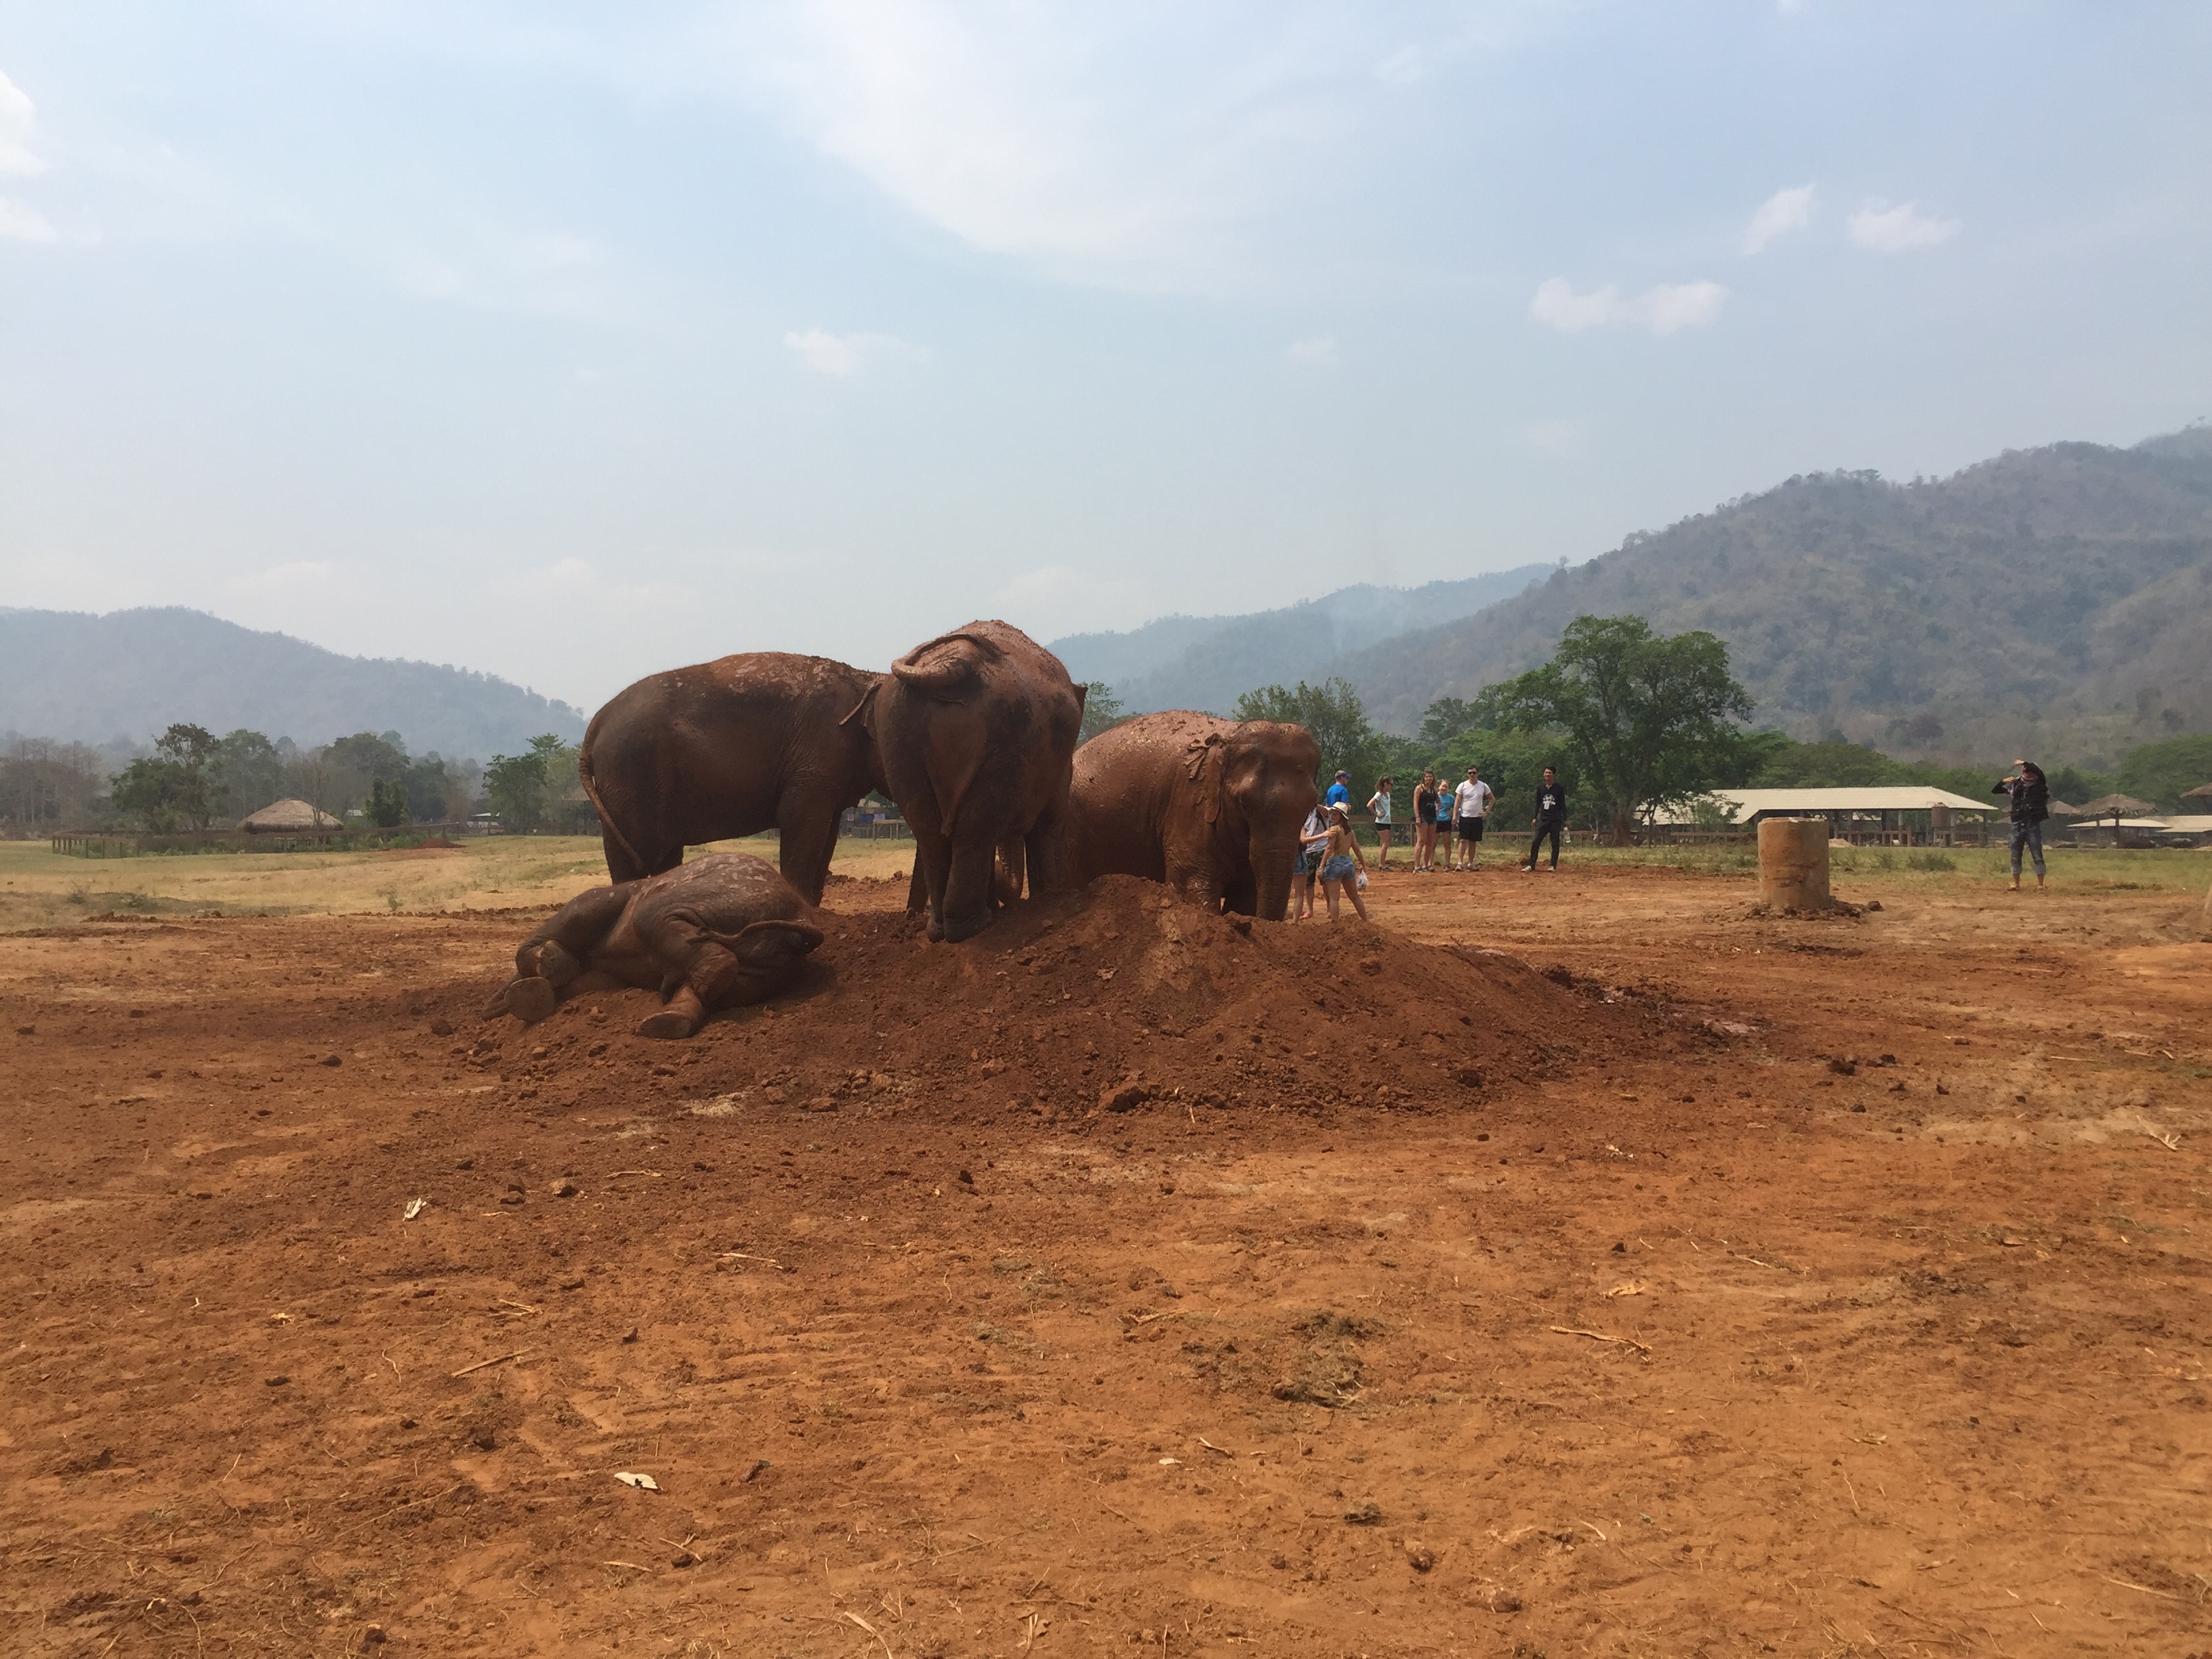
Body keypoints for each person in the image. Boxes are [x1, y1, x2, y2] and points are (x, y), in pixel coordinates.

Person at [1993, 758, 2049, 892]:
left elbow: (2039, 772)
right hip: (2017, 824)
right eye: (2025, 771)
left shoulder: (2039, 784)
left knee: (2037, 854)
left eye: (2030, 771)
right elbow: (1995, 790)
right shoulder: (2015, 785)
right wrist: (2003, 781)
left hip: (2033, 824)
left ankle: (2040, 885)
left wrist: (2024, 762)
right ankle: (2016, 884)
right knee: (2015, 854)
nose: (2028, 773)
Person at [1319, 803, 1370, 921]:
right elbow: (1356, 848)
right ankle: (1366, 921)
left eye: (1335, 814)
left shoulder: (1334, 830)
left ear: (1341, 816)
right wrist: (1363, 864)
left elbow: (1329, 848)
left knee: (1334, 898)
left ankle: (1336, 924)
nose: (1332, 815)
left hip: (1335, 863)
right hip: (1348, 863)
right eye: (1331, 813)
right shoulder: (1350, 832)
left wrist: (1322, 866)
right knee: (1354, 897)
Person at [1524, 765, 1567, 872]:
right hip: (1543, 819)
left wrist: (1566, 819)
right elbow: (1538, 803)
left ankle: (1552, 865)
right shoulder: (1541, 788)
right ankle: (1531, 865)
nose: (1547, 775)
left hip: (1555, 820)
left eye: (1549, 773)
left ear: (1553, 775)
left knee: (1555, 843)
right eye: (1546, 773)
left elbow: (1562, 804)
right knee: (1536, 841)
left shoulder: (1558, 788)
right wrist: (1534, 817)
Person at [1453, 765, 1495, 870]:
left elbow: (1492, 799)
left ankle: (1470, 863)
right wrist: (1454, 816)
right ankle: (1459, 863)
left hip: (1477, 817)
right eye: (1470, 773)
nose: (1472, 775)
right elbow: (1457, 802)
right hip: (1465, 817)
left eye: (1474, 773)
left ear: (1478, 774)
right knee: (1463, 840)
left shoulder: (1483, 786)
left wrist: (1486, 812)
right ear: (1467, 774)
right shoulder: (1462, 786)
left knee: (1473, 841)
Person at [1294, 801, 1330, 919]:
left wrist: (1314, 804)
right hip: (1308, 851)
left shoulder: (1320, 811)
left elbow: (1326, 812)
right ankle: (1310, 910)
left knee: (1325, 881)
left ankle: (1330, 908)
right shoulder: (1304, 815)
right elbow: (1303, 838)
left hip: (1321, 849)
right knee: (1309, 883)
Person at [1412, 768, 1441, 872]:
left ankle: (1426, 865)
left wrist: (1438, 811)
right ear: (1424, 778)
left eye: (1430, 777)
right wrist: (1417, 817)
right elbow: (1415, 803)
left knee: (1430, 842)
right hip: (1422, 815)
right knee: (1421, 841)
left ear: (1433, 778)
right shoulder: (1419, 788)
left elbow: (1439, 802)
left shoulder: (1434, 790)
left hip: (1432, 817)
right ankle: (1417, 866)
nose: (1429, 778)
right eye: (1427, 776)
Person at [1367, 775, 1394, 867]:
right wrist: (1376, 814)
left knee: (1384, 843)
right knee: (1386, 843)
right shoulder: (1379, 794)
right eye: (1391, 784)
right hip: (1381, 821)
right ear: (1385, 784)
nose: (1392, 787)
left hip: (1387, 821)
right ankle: (1382, 864)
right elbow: (1369, 805)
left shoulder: (1388, 795)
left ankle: (1382, 862)